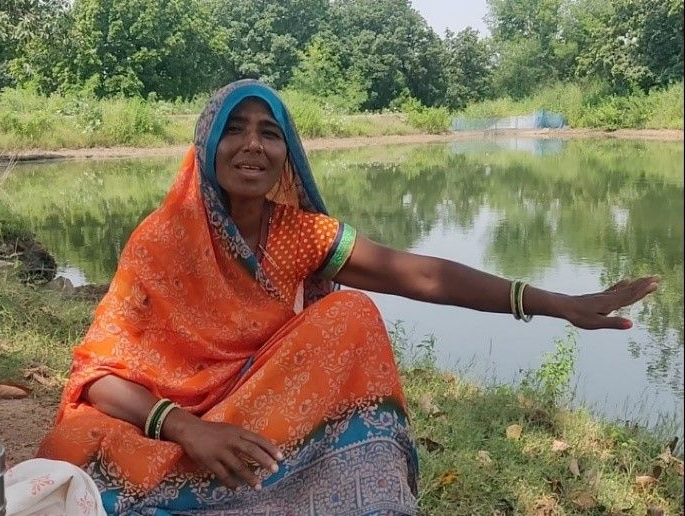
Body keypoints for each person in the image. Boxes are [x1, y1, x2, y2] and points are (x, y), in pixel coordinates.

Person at [37, 79, 658, 515]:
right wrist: (187, 429)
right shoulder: (160, 241)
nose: (252, 145)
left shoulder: (297, 233)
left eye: (269, 133)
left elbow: (419, 274)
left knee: (350, 315)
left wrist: (557, 303)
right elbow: (96, 378)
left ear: (287, 155)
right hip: (166, 424)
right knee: (75, 451)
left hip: (251, 415)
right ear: (206, 147)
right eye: (235, 130)